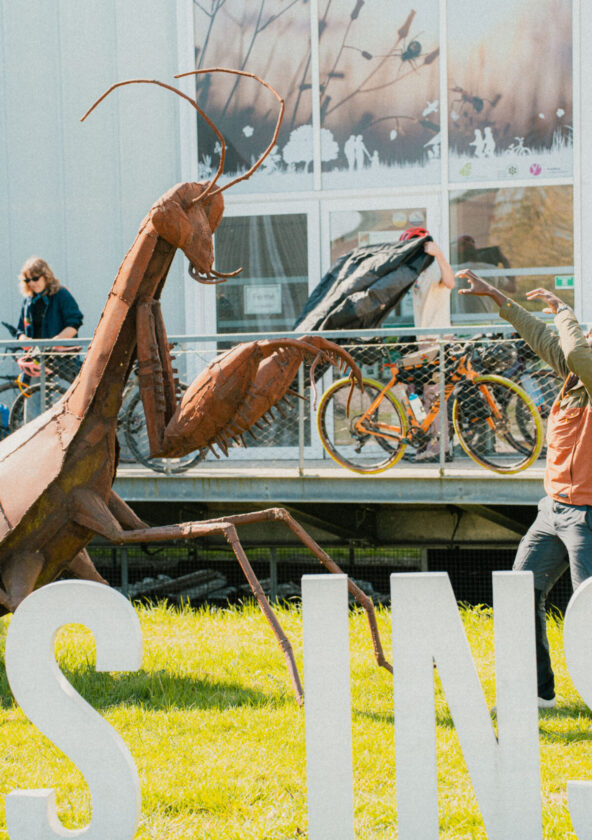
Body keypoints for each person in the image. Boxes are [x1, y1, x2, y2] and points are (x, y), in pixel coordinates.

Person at [458, 270, 592, 710]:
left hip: (588, 518)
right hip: (552, 509)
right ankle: (536, 693)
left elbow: (573, 351)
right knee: (519, 593)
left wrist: (565, 311)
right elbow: (547, 343)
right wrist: (497, 296)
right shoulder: (574, 383)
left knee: (587, 613)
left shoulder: (587, 375)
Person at [398, 227, 456, 462]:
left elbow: (450, 282)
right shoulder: (417, 272)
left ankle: (439, 447)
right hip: (422, 340)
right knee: (411, 389)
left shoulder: (433, 268)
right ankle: (425, 440)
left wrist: (439, 255)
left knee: (434, 393)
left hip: (437, 339)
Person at [15, 257, 83, 416]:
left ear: (46, 276)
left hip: (59, 362)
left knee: (60, 410)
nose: (32, 283)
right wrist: (24, 339)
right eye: (28, 280)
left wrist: (56, 341)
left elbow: (74, 322)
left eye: (36, 278)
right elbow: (20, 330)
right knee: (32, 412)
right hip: (36, 362)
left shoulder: (61, 295)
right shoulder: (28, 300)